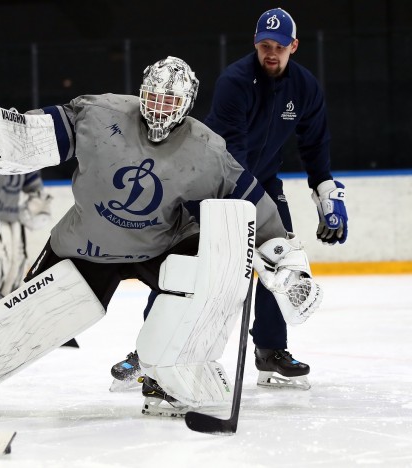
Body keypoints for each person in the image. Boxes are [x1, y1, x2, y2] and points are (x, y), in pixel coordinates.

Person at [0, 56, 313, 411]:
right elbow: (45, 131)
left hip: (156, 248)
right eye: (154, 97)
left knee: (204, 275)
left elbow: (252, 204)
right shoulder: (101, 112)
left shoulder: (207, 149)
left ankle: (165, 375)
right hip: (81, 248)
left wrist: (285, 259)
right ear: (142, 92)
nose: (160, 107)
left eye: (171, 101)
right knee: (23, 325)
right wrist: (10, 141)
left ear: (187, 104)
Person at [111, 8, 348, 390]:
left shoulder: (305, 88)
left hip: (265, 184)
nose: (271, 53)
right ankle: (149, 351)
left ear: (294, 47)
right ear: (256, 45)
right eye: (264, 46)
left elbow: (315, 144)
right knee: (186, 265)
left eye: (279, 47)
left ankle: (270, 350)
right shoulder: (236, 82)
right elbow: (231, 158)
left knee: (280, 256)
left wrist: (326, 193)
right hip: (214, 187)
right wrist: (243, 216)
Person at [0, 168, 53, 300]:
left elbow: (33, 184)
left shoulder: (22, 154)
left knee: (18, 262)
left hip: (12, 217)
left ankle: (7, 298)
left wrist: (38, 196)